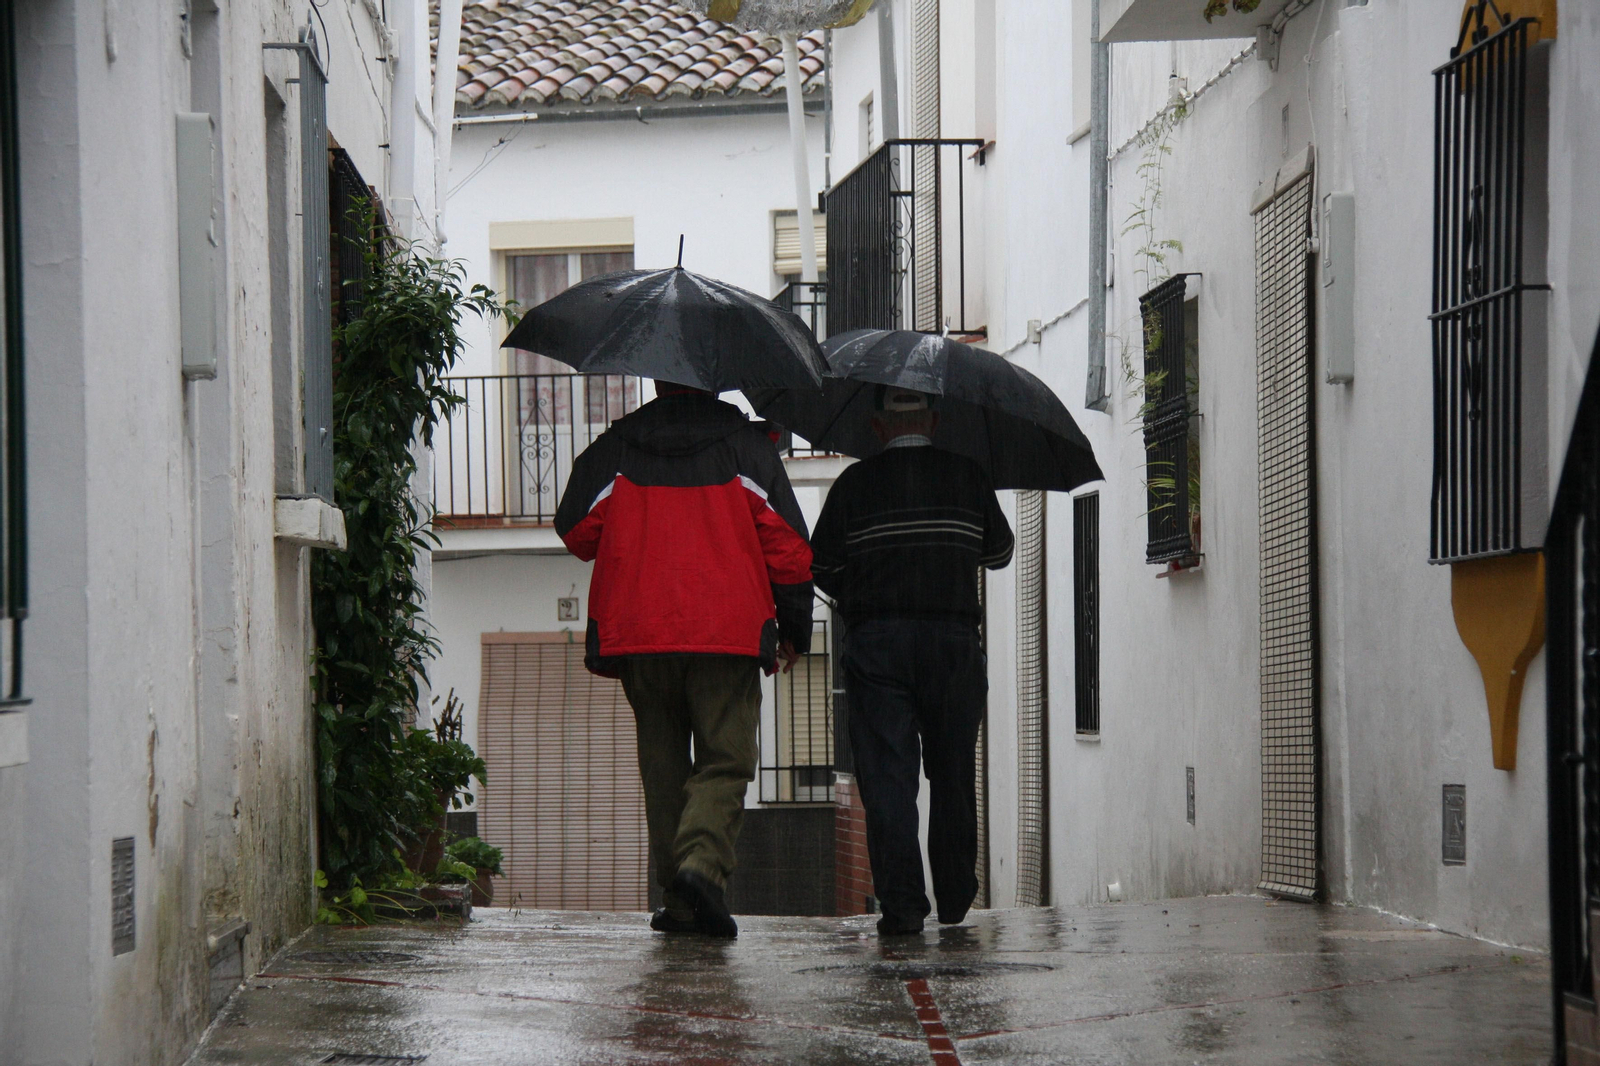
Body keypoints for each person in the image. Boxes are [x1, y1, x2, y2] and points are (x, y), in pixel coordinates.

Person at [555, 382, 813, 939]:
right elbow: (790, 550)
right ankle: (701, 867)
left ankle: (680, 904)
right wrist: (794, 628)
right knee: (727, 757)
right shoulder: (748, 448)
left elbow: (576, 530)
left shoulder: (618, 446)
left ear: (658, 379)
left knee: (663, 766)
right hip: (727, 631)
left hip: (642, 633)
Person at [810, 386, 1013, 937]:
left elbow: (821, 566)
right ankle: (954, 899)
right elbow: (999, 553)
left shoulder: (854, 486)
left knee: (888, 780)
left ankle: (902, 907)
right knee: (952, 773)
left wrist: (864, 588)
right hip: (952, 643)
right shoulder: (968, 476)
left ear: (876, 426)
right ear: (937, 419)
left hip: (878, 646)